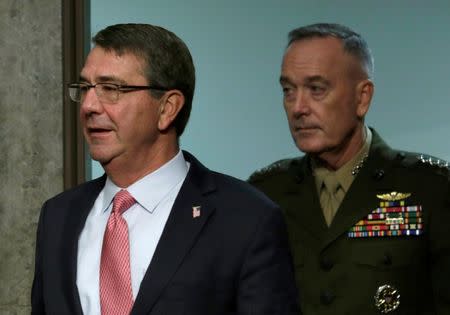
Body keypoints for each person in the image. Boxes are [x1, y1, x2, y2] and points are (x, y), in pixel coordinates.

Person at [31, 23, 299, 315]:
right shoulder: (58, 217)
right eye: (85, 88)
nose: (89, 106)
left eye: (111, 89)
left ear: (167, 108)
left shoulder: (246, 219)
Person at [249, 23, 450, 315]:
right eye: (288, 90)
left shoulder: (432, 189)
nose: (298, 107)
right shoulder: (265, 194)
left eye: (316, 89)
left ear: (362, 98)